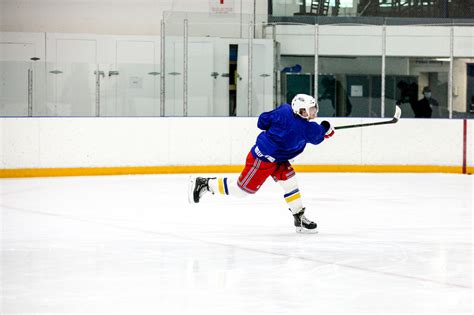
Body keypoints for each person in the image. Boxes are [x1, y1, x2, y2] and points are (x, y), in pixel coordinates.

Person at [188, 94, 335, 233]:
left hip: (278, 158)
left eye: (315, 109)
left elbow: (262, 121)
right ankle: (205, 183)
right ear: (300, 110)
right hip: (262, 159)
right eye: (311, 110)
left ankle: (299, 218)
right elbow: (317, 135)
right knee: (241, 191)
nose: (314, 112)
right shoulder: (306, 128)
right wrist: (326, 128)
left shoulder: (284, 110)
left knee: (291, 183)